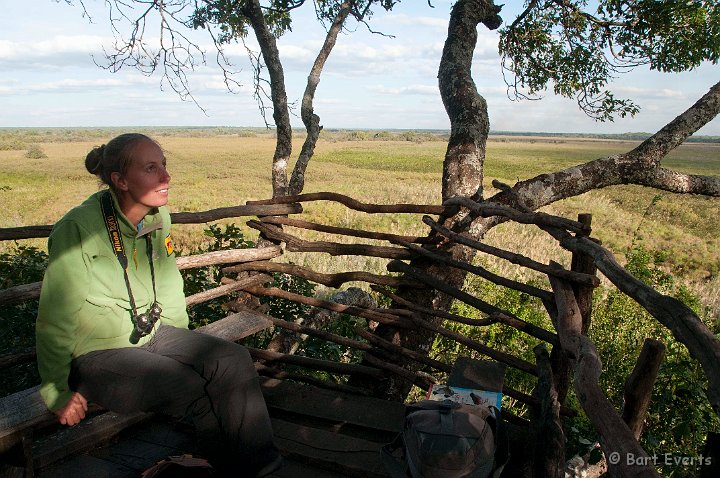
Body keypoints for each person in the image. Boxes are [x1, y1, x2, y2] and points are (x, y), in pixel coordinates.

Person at [35, 133, 282, 477]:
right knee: (190, 387)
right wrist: (56, 390)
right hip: (96, 353)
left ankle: (260, 464)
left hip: (152, 334)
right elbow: (54, 316)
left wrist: (181, 344)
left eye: (164, 165)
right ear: (120, 181)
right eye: (151, 168)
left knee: (232, 360)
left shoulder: (157, 217)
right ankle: (224, 467)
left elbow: (167, 280)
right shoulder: (79, 228)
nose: (166, 177)